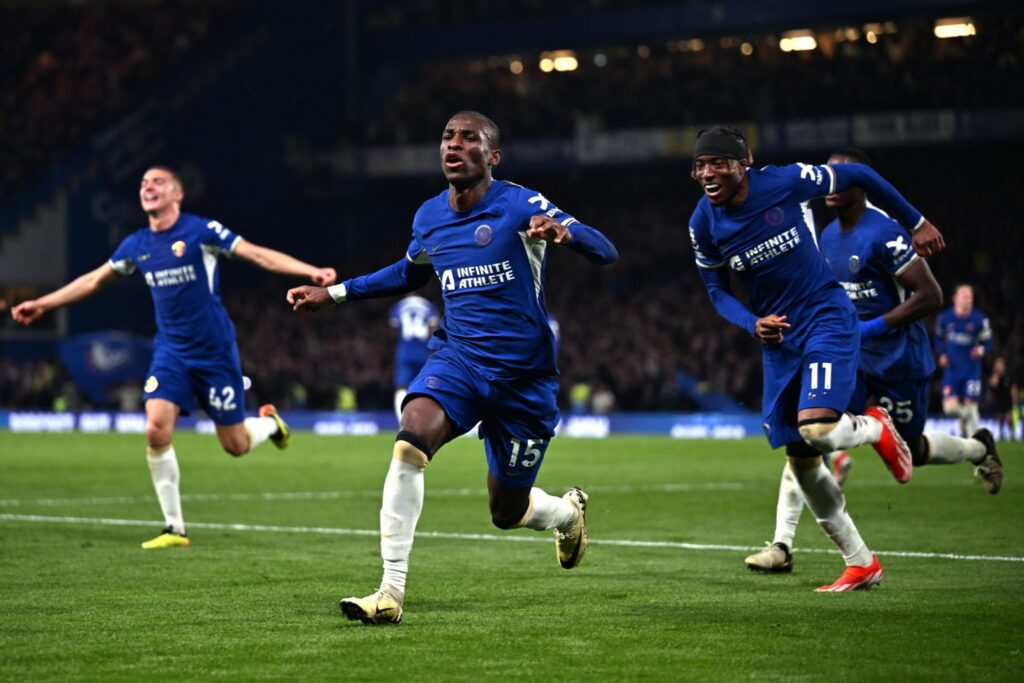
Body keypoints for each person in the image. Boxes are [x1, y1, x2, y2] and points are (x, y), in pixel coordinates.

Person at [288, 111, 617, 624]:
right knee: (410, 441)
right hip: (458, 359)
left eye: (469, 138)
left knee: (506, 512)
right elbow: (409, 273)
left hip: (524, 377)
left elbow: (606, 250)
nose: (454, 145)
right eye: (447, 137)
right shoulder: (429, 216)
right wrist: (334, 293)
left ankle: (566, 514)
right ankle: (389, 592)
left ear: (493, 156)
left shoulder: (522, 204)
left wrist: (564, 234)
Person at [11, 166, 337, 549]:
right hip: (171, 351)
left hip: (214, 351)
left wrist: (310, 271)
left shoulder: (201, 231)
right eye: (143, 183)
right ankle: (174, 529)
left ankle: (268, 424)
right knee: (155, 429)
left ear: (177, 194)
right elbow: (93, 280)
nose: (147, 186)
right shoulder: (136, 244)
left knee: (235, 445)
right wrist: (43, 304)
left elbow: (256, 254)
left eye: (157, 182)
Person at [688, 126, 944, 592]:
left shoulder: (783, 181)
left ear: (743, 163)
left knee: (818, 429)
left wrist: (916, 221)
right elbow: (716, 291)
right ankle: (860, 562)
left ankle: (874, 427)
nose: (708, 173)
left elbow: (859, 173)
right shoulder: (702, 222)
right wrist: (752, 322)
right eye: (700, 166)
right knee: (803, 460)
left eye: (718, 163)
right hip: (779, 340)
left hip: (825, 316)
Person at [744, 148, 1003, 575]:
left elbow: (931, 296)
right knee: (805, 438)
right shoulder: (826, 235)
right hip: (849, 355)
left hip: (899, 360)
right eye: (827, 174)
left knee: (915, 449)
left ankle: (979, 448)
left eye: (840, 176)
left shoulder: (885, 233)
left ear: (859, 184)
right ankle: (781, 544)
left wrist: (868, 328)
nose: (831, 183)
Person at [935, 284, 993, 437]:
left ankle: (975, 442)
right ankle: (966, 417)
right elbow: (938, 338)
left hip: (971, 370)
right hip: (952, 369)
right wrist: (942, 354)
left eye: (970, 297)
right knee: (949, 408)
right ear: (955, 298)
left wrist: (981, 350)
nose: (967, 300)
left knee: (971, 405)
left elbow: (989, 342)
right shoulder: (945, 318)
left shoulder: (979, 319)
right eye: (964, 296)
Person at [388, 294, 439, 423]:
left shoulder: (398, 305)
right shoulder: (428, 305)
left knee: (402, 386)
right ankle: (428, 420)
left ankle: (402, 421)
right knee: (429, 384)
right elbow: (434, 328)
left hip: (405, 350)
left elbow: (393, 330)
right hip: (424, 350)